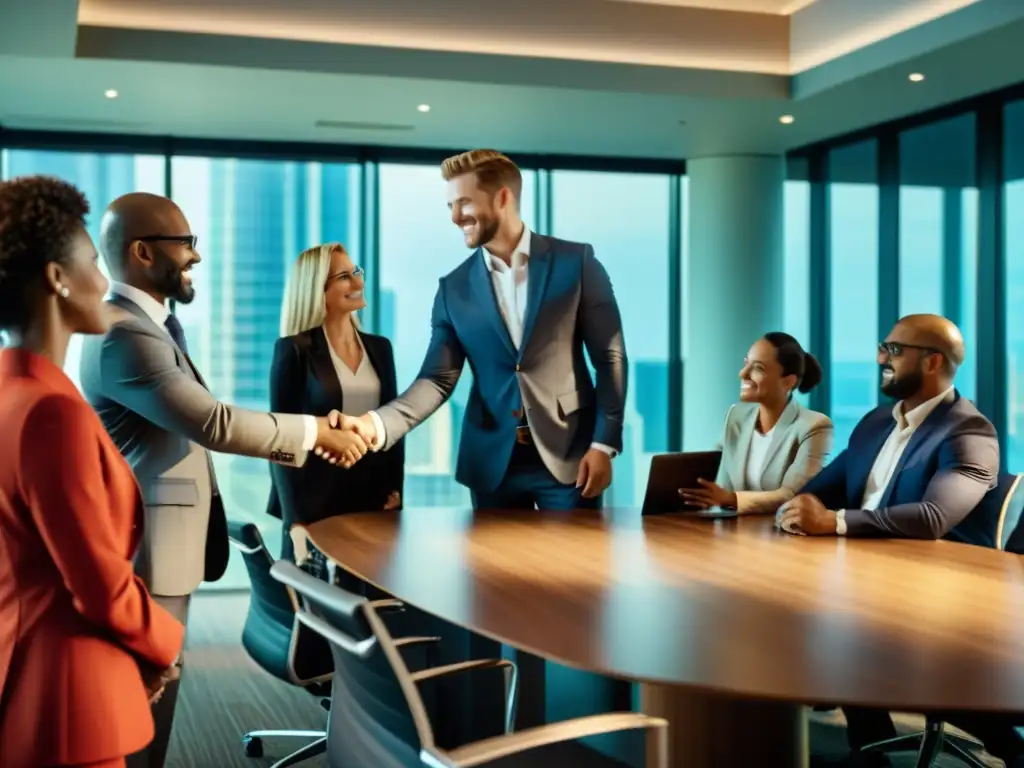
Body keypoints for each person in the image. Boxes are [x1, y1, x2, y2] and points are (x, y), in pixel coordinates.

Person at [78, 193, 367, 768]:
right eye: (185, 244)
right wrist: (317, 433)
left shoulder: (150, 326)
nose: (196, 258)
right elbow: (212, 421)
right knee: (143, 714)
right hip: (148, 554)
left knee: (152, 704)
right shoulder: (123, 333)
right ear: (141, 252)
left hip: (163, 549)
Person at [777, 314, 1024, 767]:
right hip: (867, 575)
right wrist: (794, 509)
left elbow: (932, 518)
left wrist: (832, 523)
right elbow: (816, 492)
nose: (879, 358)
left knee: (837, 625)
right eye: (882, 347)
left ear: (932, 363)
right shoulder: (875, 423)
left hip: (935, 594)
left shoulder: (969, 432)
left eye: (892, 350)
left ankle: (1010, 748)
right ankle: (870, 745)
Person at [0, 176, 184, 768]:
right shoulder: (52, 411)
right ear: (58, 279)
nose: (106, 283)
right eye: (92, 264)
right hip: (69, 691)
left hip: (29, 668)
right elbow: (98, 583)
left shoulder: (13, 392)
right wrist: (164, 645)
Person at [332, 149, 628, 510]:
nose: (455, 217)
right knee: (493, 570)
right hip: (491, 465)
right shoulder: (452, 289)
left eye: (464, 203)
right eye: (450, 207)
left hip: (571, 460)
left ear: (503, 197)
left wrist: (603, 445)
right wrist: (376, 424)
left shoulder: (576, 263)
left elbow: (609, 356)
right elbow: (437, 379)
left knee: (577, 567)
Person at [268, 242, 404, 566]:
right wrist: (296, 520)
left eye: (356, 272)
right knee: (317, 610)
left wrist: (395, 492)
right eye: (344, 276)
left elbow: (394, 422)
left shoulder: (380, 349)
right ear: (318, 290)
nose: (358, 282)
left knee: (371, 602)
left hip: (372, 505)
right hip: (315, 508)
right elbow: (281, 441)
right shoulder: (294, 350)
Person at [679, 332, 832, 514]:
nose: (743, 373)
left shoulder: (813, 426)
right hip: (735, 530)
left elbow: (792, 495)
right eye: (746, 364)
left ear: (787, 382)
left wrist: (730, 499)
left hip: (783, 536)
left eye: (758, 368)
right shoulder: (736, 416)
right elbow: (714, 475)